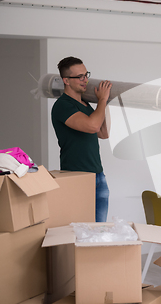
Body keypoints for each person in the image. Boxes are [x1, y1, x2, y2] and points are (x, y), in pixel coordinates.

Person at [51, 56, 112, 222]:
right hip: (77, 177)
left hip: (98, 176)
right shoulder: (63, 105)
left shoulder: (85, 104)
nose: (85, 80)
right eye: (80, 77)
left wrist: (103, 103)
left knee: (99, 231)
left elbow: (103, 133)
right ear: (66, 81)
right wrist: (102, 100)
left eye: (86, 75)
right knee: (82, 232)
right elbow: (92, 126)